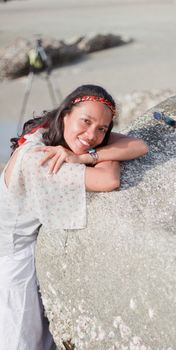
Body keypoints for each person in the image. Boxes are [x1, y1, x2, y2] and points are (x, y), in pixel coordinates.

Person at [0, 84, 148, 349]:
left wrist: (87, 155)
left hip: (21, 243)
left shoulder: (53, 131)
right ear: (66, 114)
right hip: (12, 258)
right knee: (22, 341)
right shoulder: (42, 158)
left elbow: (139, 145)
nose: (91, 134)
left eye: (102, 129)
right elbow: (109, 179)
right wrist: (94, 158)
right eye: (86, 121)